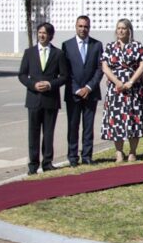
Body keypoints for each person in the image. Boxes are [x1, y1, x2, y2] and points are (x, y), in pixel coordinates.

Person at [19, 22, 68, 174]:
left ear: (51, 35)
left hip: (50, 100)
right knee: (33, 133)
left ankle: (47, 162)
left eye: (45, 33)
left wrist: (50, 84)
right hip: (34, 99)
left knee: (48, 133)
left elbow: (64, 76)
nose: (42, 35)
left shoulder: (58, 54)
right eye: (40, 32)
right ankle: (33, 165)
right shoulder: (29, 52)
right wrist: (33, 85)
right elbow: (22, 74)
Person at [100, 18, 143, 163]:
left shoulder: (137, 46)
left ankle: (133, 151)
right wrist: (117, 82)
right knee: (117, 120)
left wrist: (131, 82)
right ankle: (119, 152)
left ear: (129, 30)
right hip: (116, 90)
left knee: (134, 119)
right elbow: (105, 66)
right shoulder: (110, 47)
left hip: (134, 88)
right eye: (119, 28)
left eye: (124, 28)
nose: (121, 31)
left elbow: (142, 65)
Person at [61, 15, 103, 167]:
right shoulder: (67, 45)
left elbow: (100, 69)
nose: (83, 29)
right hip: (73, 94)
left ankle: (87, 155)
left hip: (91, 93)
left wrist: (88, 87)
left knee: (88, 127)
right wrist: (76, 89)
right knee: (73, 126)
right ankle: (72, 157)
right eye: (80, 26)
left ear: (89, 27)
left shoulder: (97, 45)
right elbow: (65, 71)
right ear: (76, 26)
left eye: (85, 26)